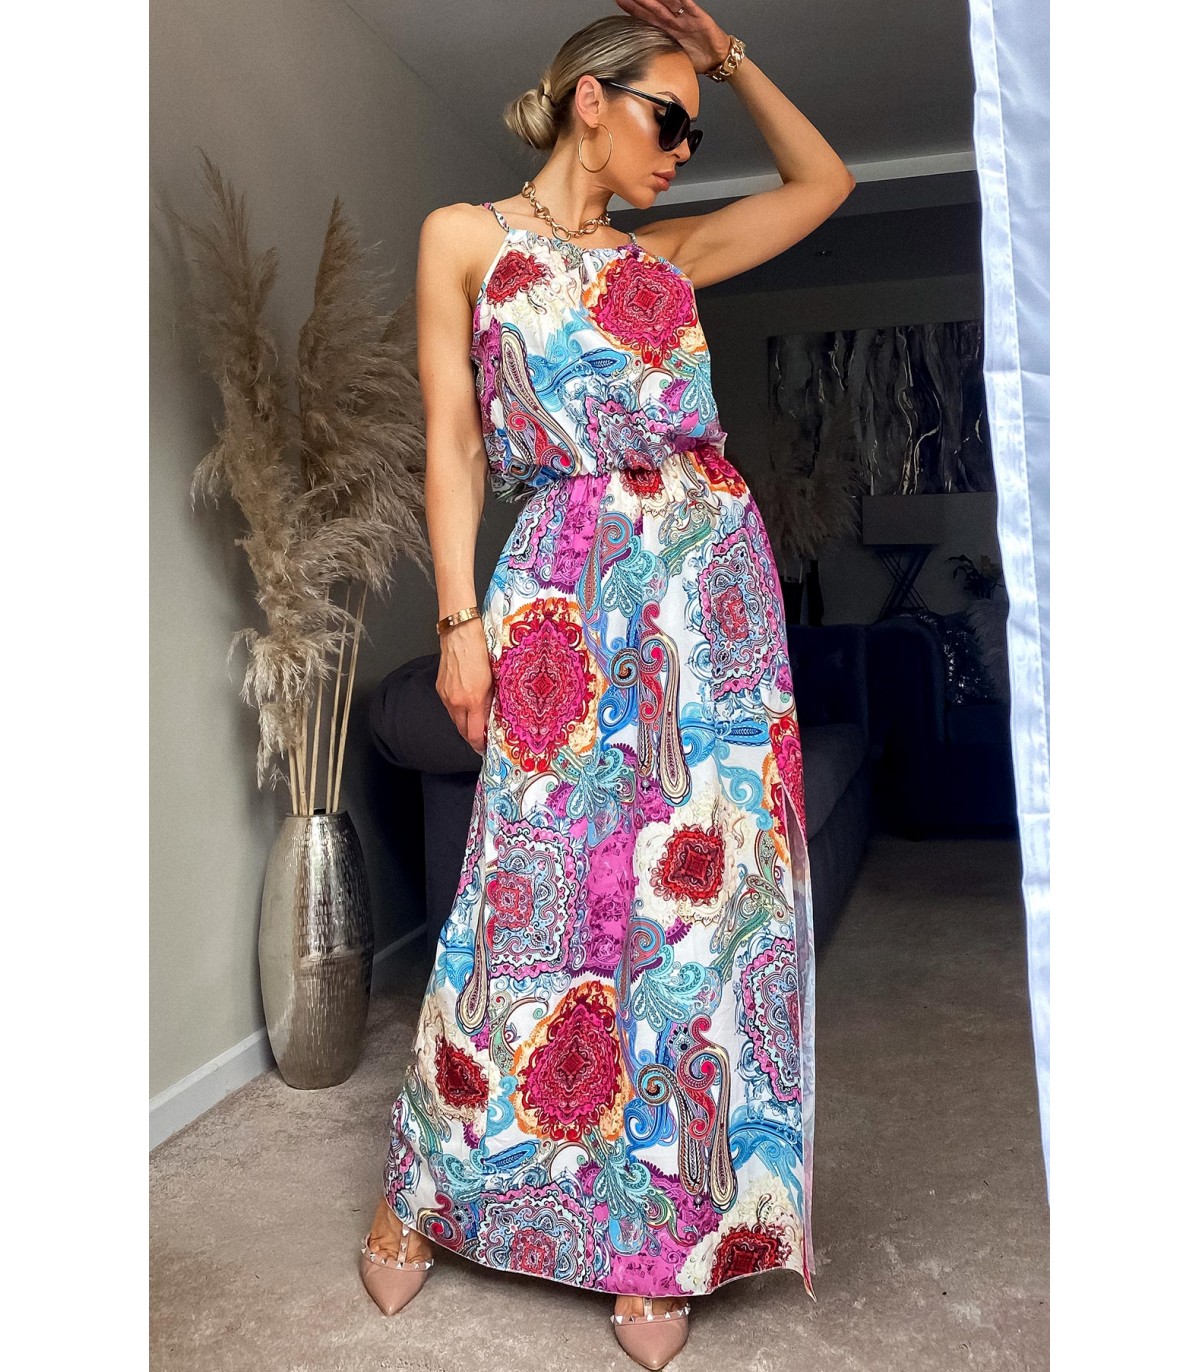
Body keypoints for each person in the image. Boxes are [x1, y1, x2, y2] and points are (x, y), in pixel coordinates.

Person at [360, 3, 854, 1366]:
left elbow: (824, 184)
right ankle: (430, 1186)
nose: (685, 147)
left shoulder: (669, 257)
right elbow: (454, 442)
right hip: (563, 591)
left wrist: (734, 61)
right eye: (668, 116)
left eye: (697, 123)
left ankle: (660, 1235)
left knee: (707, 907)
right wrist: (458, 620)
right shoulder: (467, 240)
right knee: (523, 886)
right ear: (591, 98)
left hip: (712, 590)